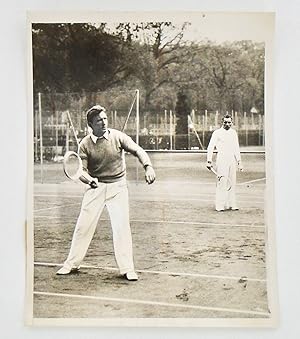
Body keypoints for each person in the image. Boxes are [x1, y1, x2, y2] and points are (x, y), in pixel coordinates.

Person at [56, 105, 156, 281]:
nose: (103, 122)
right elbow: (82, 171)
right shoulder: (84, 144)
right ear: (90, 124)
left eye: (104, 119)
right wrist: (90, 180)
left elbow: (138, 150)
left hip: (118, 187)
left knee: (121, 227)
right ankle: (71, 264)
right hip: (95, 189)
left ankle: (127, 269)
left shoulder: (118, 136)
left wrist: (148, 166)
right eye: (98, 121)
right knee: (83, 227)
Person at [206, 114, 243, 212]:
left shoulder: (233, 133)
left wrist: (239, 162)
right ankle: (220, 205)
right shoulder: (217, 133)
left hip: (232, 160)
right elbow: (210, 147)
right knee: (222, 182)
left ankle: (232, 204)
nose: (227, 124)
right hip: (221, 160)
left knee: (232, 182)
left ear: (232, 123)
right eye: (225, 122)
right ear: (222, 122)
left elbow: (236, 148)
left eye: (229, 122)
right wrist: (209, 161)